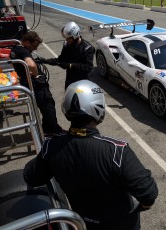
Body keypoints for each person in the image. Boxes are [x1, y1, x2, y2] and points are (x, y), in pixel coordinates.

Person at [23, 80, 158, 230]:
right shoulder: (116, 151)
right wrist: (139, 209)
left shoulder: (51, 147)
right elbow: (148, 195)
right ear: (98, 109)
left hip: (81, 221)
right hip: (121, 224)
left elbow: (31, 176)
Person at [11, 31, 64, 136]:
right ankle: (54, 131)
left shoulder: (15, 49)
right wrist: (35, 74)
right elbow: (31, 65)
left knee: (45, 108)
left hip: (26, 81)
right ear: (26, 42)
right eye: (34, 45)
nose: (35, 48)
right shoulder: (23, 52)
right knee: (48, 107)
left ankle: (47, 129)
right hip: (35, 85)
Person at [39, 21, 95, 90]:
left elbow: (88, 67)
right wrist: (45, 61)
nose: (66, 40)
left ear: (75, 36)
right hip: (69, 80)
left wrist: (70, 65)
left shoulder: (87, 48)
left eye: (68, 38)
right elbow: (61, 59)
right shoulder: (67, 44)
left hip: (82, 81)